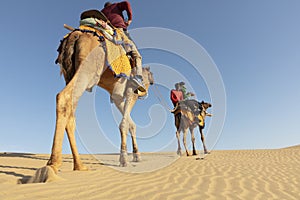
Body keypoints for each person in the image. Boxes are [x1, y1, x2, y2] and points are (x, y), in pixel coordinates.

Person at [101, 1, 145, 92]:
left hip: (105, 33)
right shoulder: (115, 6)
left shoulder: (101, 13)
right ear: (111, 5)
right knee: (136, 55)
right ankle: (138, 78)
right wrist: (129, 19)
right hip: (119, 32)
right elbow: (126, 3)